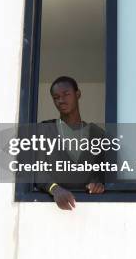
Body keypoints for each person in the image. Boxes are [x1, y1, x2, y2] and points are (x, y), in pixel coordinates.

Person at [35, 76, 107, 210]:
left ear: (78, 94)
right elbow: (37, 171)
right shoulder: (44, 130)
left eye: (66, 94)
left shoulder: (97, 134)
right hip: (51, 211)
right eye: (56, 97)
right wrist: (54, 189)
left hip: (88, 211)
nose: (61, 100)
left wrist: (98, 184)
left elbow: (105, 172)